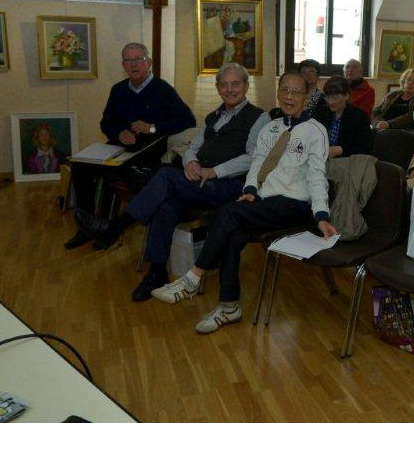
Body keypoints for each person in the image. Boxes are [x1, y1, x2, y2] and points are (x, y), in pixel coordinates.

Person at [150, 71, 338, 334]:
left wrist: (321, 215)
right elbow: (258, 162)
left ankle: (193, 277)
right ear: (278, 92)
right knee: (232, 231)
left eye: (296, 92)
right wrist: (250, 189)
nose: (289, 96)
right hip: (264, 201)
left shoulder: (315, 131)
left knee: (226, 213)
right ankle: (229, 307)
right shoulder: (270, 127)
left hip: (294, 206)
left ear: (306, 97)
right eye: (284, 90)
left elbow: (319, 177)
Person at [73, 63, 270, 301]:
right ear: (218, 87)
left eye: (235, 84)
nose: (229, 89)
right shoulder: (213, 116)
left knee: (165, 175)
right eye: (224, 84)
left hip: (230, 186)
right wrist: (190, 162)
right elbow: (192, 147)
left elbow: (254, 157)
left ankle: (115, 226)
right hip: (199, 182)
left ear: (246, 86)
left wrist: (215, 171)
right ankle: (157, 272)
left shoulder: (260, 117)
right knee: (166, 205)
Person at [64, 43, 196, 250]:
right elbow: (106, 123)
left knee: (114, 176)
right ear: (123, 65)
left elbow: (188, 120)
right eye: (129, 60)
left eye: (139, 59)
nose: (134, 64)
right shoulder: (118, 90)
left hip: (147, 150)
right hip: (118, 147)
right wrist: (118, 132)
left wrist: (153, 127)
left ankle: (110, 231)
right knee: (80, 167)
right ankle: (87, 227)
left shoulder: (163, 89)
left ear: (148, 63)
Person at [313, 75, 373, 158]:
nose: (330, 102)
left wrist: (340, 150)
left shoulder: (359, 117)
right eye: (327, 97)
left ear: (347, 96)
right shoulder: (322, 112)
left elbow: (364, 148)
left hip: (346, 163)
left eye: (335, 97)